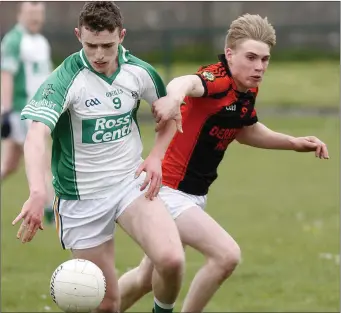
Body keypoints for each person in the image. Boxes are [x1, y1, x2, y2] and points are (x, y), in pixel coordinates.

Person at [118, 14, 330, 313]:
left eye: (265, 59)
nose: (259, 67)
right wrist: (173, 97)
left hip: (191, 194)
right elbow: (187, 82)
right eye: (251, 57)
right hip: (168, 190)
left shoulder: (247, 89)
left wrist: (293, 142)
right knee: (225, 255)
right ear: (230, 54)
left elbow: (245, 129)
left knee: (145, 278)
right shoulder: (218, 79)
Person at [12, 2, 185, 313]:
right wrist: (37, 192)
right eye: (91, 45)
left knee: (171, 260)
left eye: (108, 45)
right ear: (79, 36)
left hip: (129, 183)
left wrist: (157, 156)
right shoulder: (65, 79)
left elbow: (171, 114)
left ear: (122, 35)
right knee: (106, 304)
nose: (100, 55)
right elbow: (36, 135)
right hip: (82, 199)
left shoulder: (139, 72)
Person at [1, 1, 55, 224]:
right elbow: (6, 75)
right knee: (43, 158)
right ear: (20, 14)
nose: (35, 19)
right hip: (25, 110)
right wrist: (4, 112)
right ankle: (52, 212)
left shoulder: (41, 41)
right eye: (31, 14)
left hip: (41, 108)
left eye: (39, 14)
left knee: (9, 164)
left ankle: (51, 208)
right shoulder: (14, 40)